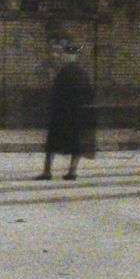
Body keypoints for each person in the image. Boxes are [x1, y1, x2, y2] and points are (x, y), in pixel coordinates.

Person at [37, 51, 96, 181]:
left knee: (52, 143)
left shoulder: (64, 72)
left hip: (61, 113)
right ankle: (72, 171)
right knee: (76, 144)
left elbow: (56, 92)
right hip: (77, 114)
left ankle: (47, 172)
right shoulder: (83, 73)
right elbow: (90, 94)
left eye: (64, 55)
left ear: (68, 57)